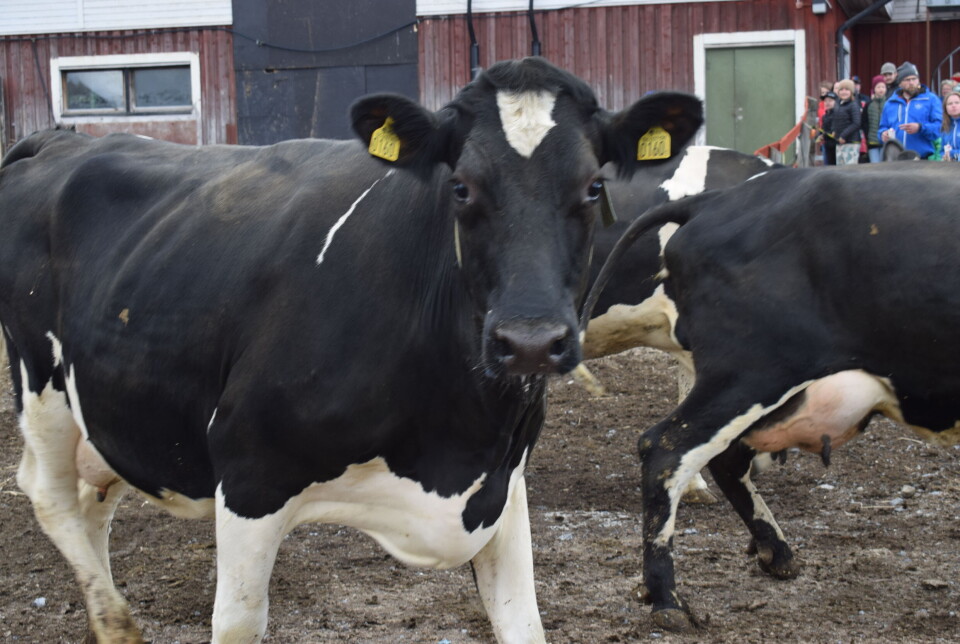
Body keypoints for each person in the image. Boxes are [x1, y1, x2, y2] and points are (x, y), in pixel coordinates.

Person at [879, 62, 943, 160]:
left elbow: (939, 128)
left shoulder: (931, 100)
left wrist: (920, 127)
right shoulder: (890, 102)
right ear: (900, 83)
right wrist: (883, 134)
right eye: (907, 80)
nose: (912, 82)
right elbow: (882, 127)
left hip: (921, 158)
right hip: (895, 159)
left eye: (914, 79)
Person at [833, 79, 861, 165]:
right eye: (841, 89)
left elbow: (856, 123)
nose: (843, 92)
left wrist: (843, 135)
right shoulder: (838, 104)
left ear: (851, 91)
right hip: (840, 143)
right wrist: (835, 131)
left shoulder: (853, 105)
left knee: (850, 171)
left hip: (851, 143)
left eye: (847, 89)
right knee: (840, 170)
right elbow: (836, 120)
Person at [863, 75, 888, 163]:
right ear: (874, 89)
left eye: (883, 87)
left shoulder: (889, 103)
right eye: (878, 87)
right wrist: (867, 136)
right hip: (872, 141)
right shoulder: (869, 105)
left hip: (886, 141)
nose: (881, 89)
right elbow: (864, 122)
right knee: (874, 164)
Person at [819, 91, 837, 165]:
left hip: (836, 145)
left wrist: (826, 134)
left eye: (830, 101)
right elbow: (823, 129)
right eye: (826, 101)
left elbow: (834, 130)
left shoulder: (837, 114)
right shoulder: (825, 116)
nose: (827, 103)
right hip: (827, 145)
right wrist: (820, 135)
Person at [941, 91, 960, 161]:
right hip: (949, 168)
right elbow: (941, 150)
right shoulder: (944, 126)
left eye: (957, 103)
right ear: (945, 108)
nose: (953, 106)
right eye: (950, 104)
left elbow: (952, 153)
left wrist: (953, 155)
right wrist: (943, 156)